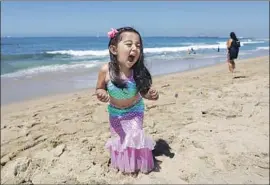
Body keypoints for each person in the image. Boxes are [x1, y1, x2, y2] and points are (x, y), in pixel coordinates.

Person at [95, 27, 159, 174]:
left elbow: (144, 92)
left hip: (135, 110)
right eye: (129, 44)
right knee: (121, 139)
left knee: (134, 135)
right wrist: (101, 93)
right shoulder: (106, 70)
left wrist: (151, 94)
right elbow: (99, 88)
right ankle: (124, 163)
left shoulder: (138, 72)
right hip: (115, 113)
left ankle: (136, 162)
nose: (134, 49)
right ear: (114, 49)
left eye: (138, 46)